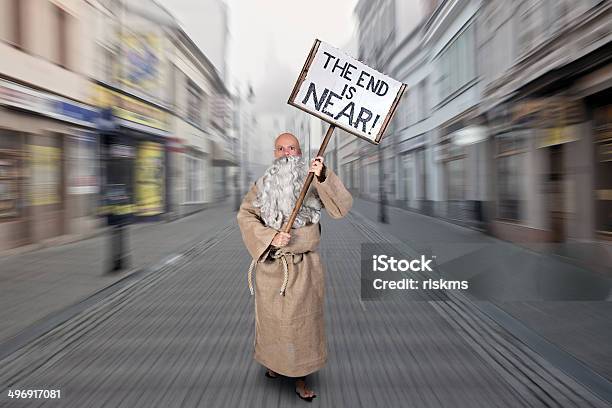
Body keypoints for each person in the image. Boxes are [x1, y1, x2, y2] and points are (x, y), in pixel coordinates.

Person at [236, 132, 352, 401]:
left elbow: (341, 208)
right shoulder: (263, 184)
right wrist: (270, 237)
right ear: (274, 154)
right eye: (280, 149)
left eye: (292, 148)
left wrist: (323, 175)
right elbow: (245, 214)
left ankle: (300, 376)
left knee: (301, 325)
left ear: (299, 153)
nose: (286, 153)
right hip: (272, 265)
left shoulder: (311, 181)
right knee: (273, 323)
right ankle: (274, 363)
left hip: (304, 269)